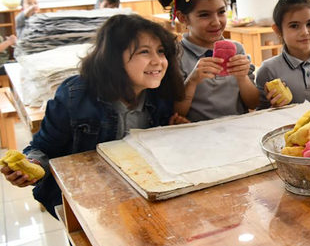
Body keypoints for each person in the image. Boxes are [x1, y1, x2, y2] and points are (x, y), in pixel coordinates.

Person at [0, 14, 188, 216]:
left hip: (139, 198)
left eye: (161, 52)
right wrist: (31, 167)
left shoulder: (159, 93)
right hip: (87, 205)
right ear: (114, 58)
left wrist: (172, 133)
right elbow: (42, 149)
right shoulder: (76, 95)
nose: (158, 61)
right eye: (144, 52)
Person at [157, 0, 257, 121]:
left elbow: (253, 103)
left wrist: (242, 78)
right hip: (198, 135)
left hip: (238, 131)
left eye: (221, 12)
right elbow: (178, 113)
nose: (216, 22)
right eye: (204, 15)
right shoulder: (176, 55)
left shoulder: (237, 49)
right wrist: (192, 80)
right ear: (183, 18)